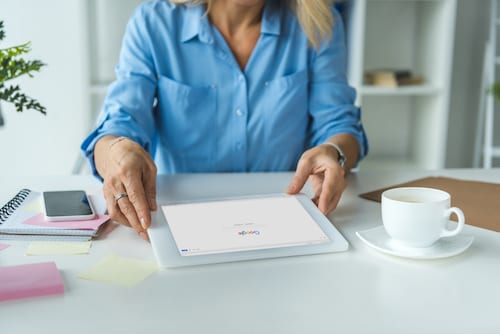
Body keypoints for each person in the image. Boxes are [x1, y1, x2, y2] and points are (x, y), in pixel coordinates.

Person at [81, 0, 368, 241]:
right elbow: (120, 121)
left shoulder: (317, 23)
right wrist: (117, 152)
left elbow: (339, 124)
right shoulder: (154, 22)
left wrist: (335, 153)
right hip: (179, 218)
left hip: (284, 218)